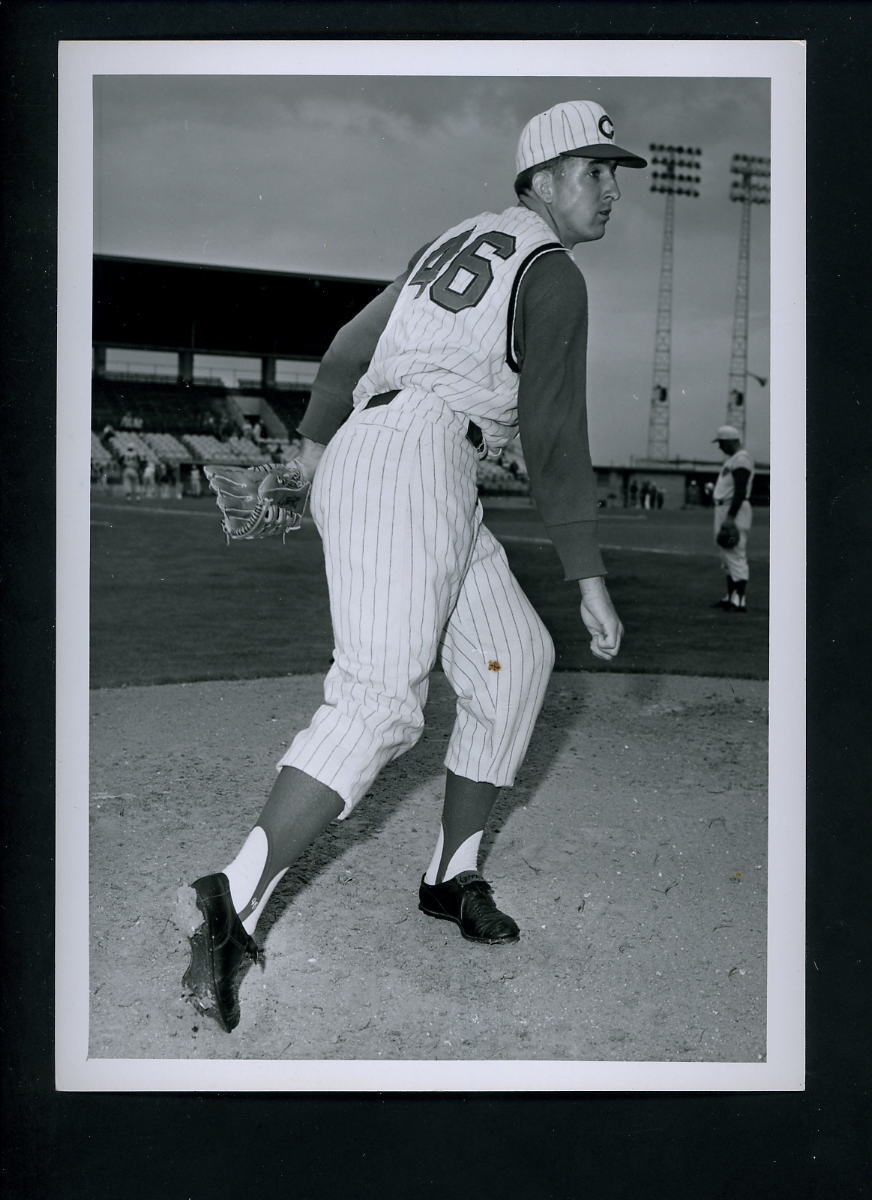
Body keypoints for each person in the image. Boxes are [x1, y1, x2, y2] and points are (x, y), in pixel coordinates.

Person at [178, 99, 645, 1033]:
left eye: (614, 172)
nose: (611, 188)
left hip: (404, 454)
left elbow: (351, 346)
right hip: (417, 455)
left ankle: (449, 874)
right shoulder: (551, 273)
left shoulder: (456, 241)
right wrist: (588, 573)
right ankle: (231, 905)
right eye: (594, 171)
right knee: (381, 699)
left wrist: (315, 444)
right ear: (542, 181)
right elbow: (555, 433)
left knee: (514, 656)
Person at [711, 423, 755, 611]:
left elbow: (740, 490)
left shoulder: (742, 459)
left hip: (733, 509)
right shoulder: (733, 459)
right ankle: (731, 597)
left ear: (731, 441)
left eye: (721, 443)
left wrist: (730, 517)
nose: (719, 447)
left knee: (735, 552)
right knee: (726, 554)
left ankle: (740, 600)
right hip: (724, 508)